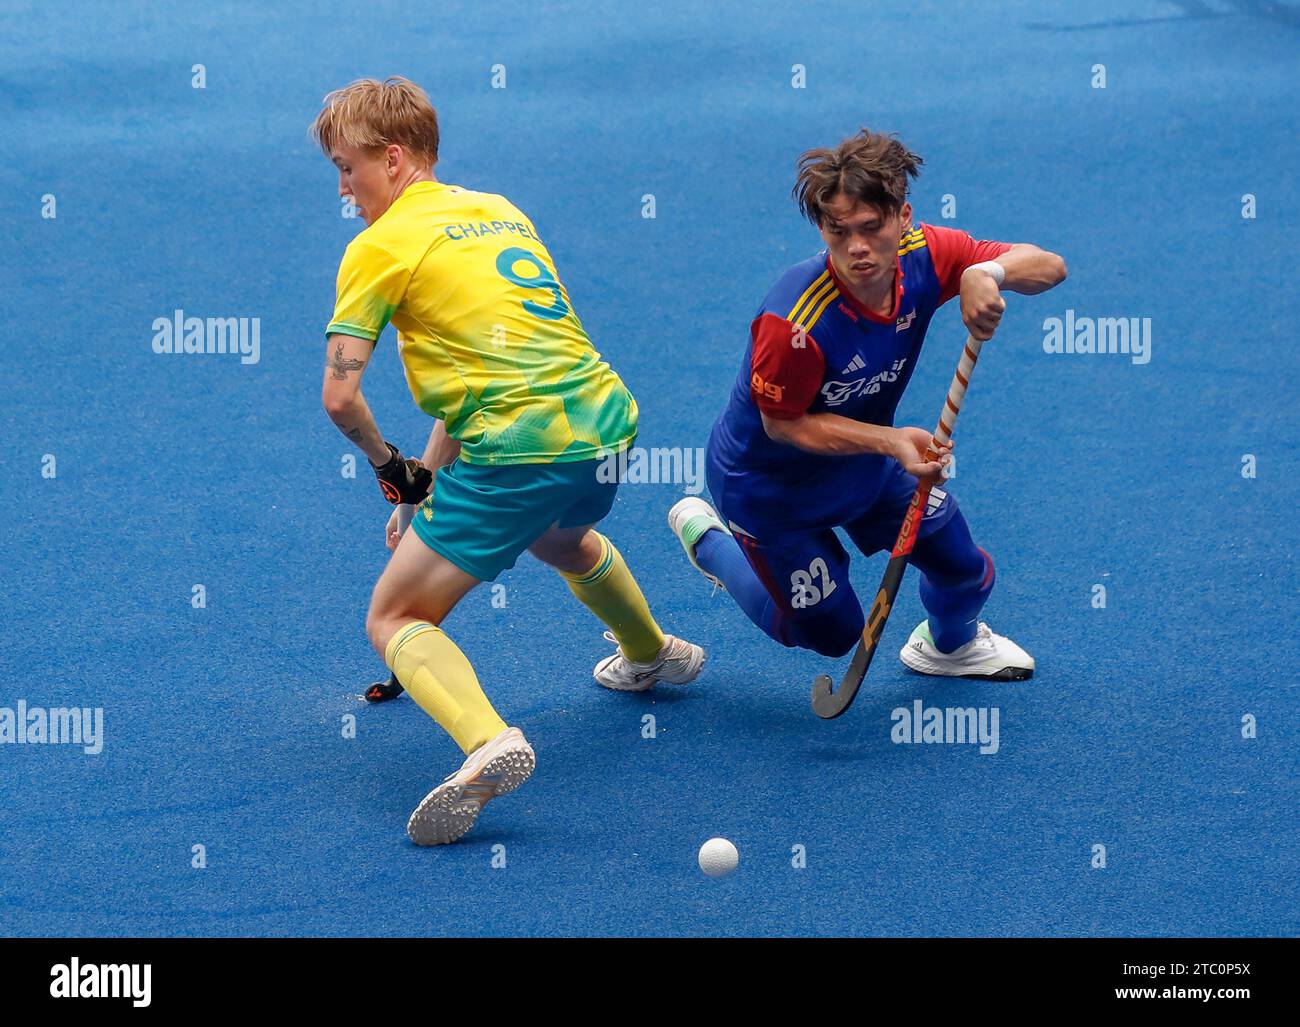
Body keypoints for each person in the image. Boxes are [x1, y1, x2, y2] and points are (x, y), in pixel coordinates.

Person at [312, 77, 704, 845]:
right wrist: (420, 492)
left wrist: (387, 464)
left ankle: (487, 740)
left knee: (395, 613)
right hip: (606, 426)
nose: (344, 189)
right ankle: (652, 653)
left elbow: (340, 398)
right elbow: (483, 375)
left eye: (347, 167)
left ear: (393, 160)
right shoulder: (498, 210)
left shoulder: (378, 246)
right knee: (560, 537)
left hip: (520, 454)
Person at [669, 129, 1066, 679]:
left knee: (962, 567)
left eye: (871, 228)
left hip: (865, 463)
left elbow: (1049, 265)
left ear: (903, 217)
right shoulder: (795, 322)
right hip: (768, 489)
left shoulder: (926, 254)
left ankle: (948, 647)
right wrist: (890, 441)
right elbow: (782, 426)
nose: (857, 248)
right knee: (830, 635)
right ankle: (711, 543)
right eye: (838, 231)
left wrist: (986, 271)